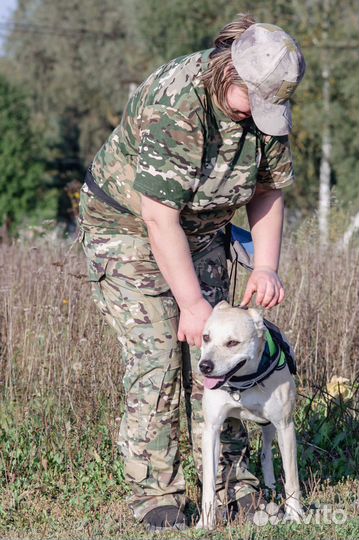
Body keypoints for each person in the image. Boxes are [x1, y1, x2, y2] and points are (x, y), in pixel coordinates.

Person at [78, 13, 306, 531]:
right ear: (232, 75)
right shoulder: (177, 103)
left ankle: (233, 485)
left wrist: (265, 266)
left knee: (225, 352)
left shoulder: (265, 111)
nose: (265, 117)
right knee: (159, 355)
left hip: (203, 231)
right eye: (259, 103)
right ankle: (157, 493)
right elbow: (159, 217)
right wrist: (191, 304)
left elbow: (269, 189)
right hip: (129, 229)